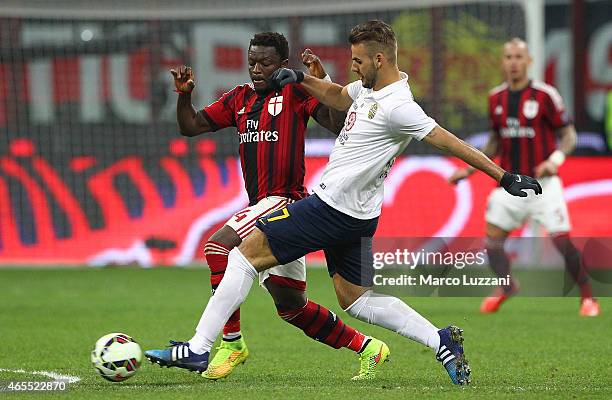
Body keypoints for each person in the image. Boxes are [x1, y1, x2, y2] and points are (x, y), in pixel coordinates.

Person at [151, 21, 542, 386]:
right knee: (355, 299)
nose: (352, 67)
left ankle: (201, 347)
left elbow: (446, 140)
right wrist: (301, 78)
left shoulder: (399, 106)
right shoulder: (369, 89)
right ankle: (439, 339)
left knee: (242, 254)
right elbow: (338, 94)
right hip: (359, 215)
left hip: (331, 208)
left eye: (357, 60)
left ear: (379, 59)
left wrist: (503, 176)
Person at [145, 32, 391, 381]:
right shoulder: (239, 99)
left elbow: (338, 125)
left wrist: (322, 81)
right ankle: (369, 348)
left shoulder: (295, 92)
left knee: (218, 246)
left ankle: (228, 344)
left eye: (265, 63)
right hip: (263, 207)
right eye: (251, 62)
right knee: (292, 308)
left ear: (283, 65)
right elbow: (191, 126)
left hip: (285, 200)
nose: (257, 69)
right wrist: (184, 97)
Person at [448, 38, 600, 317]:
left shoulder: (545, 95)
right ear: (502, 62)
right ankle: (507, 287)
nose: (514, 62)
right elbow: (495, 141)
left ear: (528, 61)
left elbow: (568, 134)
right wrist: (469, 169)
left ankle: (588, 298)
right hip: (510, 185)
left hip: (544, 185)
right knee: (492, 245)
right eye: (508, 57)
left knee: (562, 243)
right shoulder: (496, 98)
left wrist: (554, 161)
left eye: (519, 56)